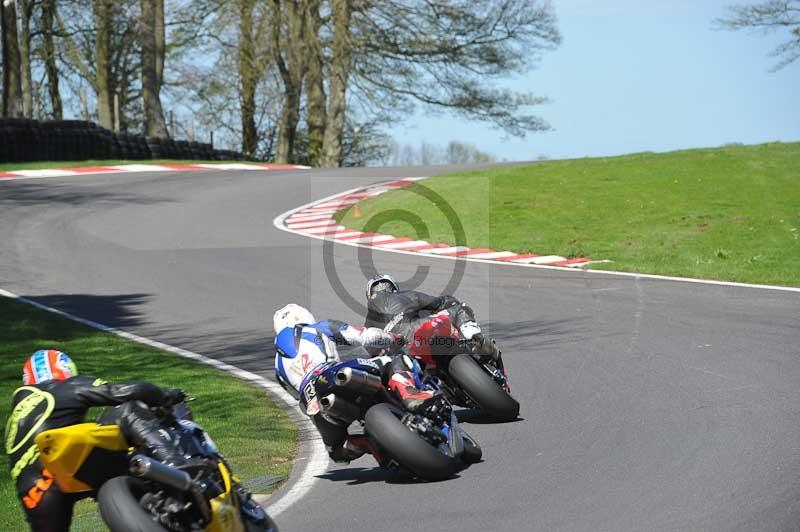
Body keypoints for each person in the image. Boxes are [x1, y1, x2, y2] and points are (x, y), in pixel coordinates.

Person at [5, 349, 186, 532]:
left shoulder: (16, 416)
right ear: (64, 370)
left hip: (34, 493)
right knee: (128, 409)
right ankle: (178, 465)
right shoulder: (64, 386)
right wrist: (166, 396)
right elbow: (128, 391)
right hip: (70, 465)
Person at [273, 303, 449, 463]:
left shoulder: (277, 368)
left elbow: (296, 395)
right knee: (394, 360)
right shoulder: (318, 328)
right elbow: (365, 337)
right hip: (333, 373)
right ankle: (409, 393)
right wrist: (394, 339)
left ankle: (371, 444)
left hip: (313, 403)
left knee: (338, 452)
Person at [364, 273, 500, 362]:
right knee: (458, 307)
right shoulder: (405, 296)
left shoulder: (368, 323)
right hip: (420, 332)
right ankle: (474, 337)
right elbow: (441, 302)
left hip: (401, 354)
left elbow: (372, 352)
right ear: (393, 287)